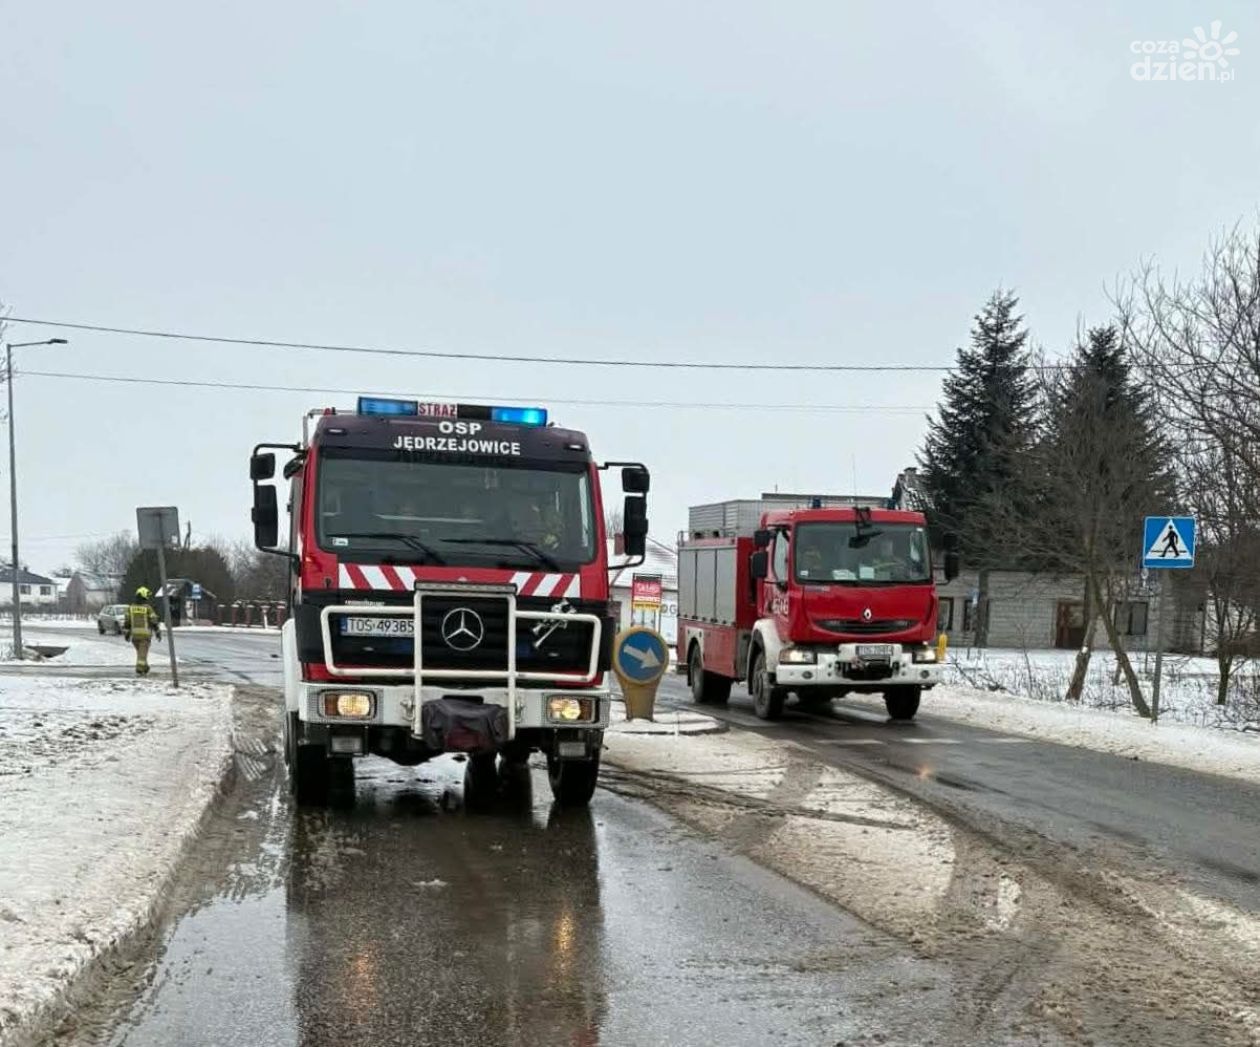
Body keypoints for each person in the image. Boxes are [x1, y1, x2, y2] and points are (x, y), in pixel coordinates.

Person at [123, 586, 162, 676]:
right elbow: (154, 621)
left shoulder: (130, 608)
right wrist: (157, 632)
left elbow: (127, 622)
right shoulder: (147, 608)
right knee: (142, 655)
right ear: (144, 596)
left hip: (135, 636)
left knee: (141, 654)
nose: (148, 598)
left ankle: (145, 667)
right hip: (145, 636)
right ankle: (140, 669)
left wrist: (127, 634)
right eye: (147, 596)